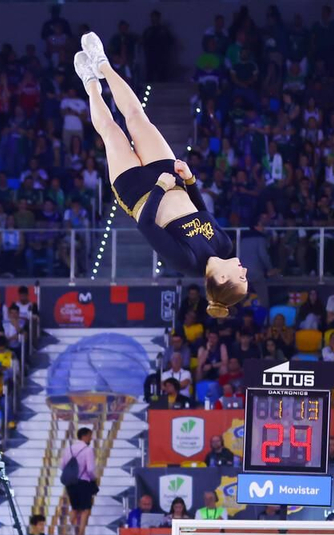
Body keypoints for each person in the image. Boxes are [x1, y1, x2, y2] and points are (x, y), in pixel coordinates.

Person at [74, 33, 247, 321]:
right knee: (138, 117)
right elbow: (201, 210)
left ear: (222, 280)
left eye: (241, 278)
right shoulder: (224, 245)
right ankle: (103, 64)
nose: (244, 271)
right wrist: (190, 181)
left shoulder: (188, 262)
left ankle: (90, 84)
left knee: (112, 131)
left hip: (139, 192)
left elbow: (147, 226)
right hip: (171, 179)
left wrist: (158, 188)